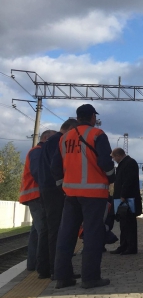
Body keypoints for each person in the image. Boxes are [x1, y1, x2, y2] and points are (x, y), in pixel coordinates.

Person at [51, 104, 115, 289]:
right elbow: (105, 161)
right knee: (92, 235)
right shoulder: (97, 134)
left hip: (71, 194)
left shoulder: (64, 138)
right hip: (94, 194)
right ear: (93, 117)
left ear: (78, 117)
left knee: (66, 235)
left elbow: (55, 166)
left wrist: (62, 185)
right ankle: (90, 278)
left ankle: (62, 278)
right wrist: (111, 177)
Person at [36, 119, 79, 279]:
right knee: (58, 229)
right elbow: (59, 165)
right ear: (70, 129)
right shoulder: (60, 141)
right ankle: (57, 269)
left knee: (47, 229)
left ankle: (44, 268)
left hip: (45, 189)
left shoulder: (48, 143)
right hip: (55, 190)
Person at [19, 130, 56, 279]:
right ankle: (42, 265)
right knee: (44, 231)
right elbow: (38, 172)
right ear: (46, 139)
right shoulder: (39, 151)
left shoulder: (37, 151)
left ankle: (33, 263)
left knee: (36, 231)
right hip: (37, 195)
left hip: (34, 195)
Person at [110, 147, 141, 255]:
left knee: (129, 223)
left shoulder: (130, 163)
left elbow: (129, 180)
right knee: (123, 223)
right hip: (122, 199)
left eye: (114, 157)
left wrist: (123, 194)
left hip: (128, 199)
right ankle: (123, 245)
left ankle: (131, 247)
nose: (114, 159)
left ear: (118, 155)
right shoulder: (125, 164)